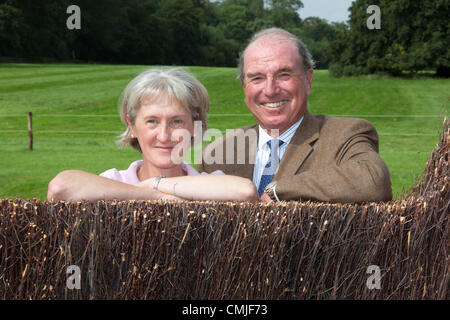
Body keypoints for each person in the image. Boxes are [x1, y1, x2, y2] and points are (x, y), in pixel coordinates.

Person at [197, 28, 392, 203]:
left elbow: (373, 179)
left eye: (284, 75)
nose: (270, 90)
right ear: (244, 87)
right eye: (256, 78)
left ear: (308, 80)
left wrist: (278, 190)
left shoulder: (344, 135)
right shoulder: (218, 154)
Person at [47, 68, 257, 202]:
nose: (164, 136)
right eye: (152, 121)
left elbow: (245, 192)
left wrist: (157, 183)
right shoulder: (113, 181)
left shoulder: (210, 184)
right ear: (132, 126)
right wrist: (152, 194)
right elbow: (60, 188)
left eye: (176, 121)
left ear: (195, 125)